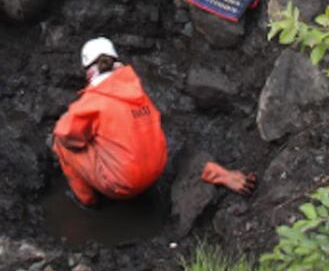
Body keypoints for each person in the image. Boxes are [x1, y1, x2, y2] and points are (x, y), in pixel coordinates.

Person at [51, 37, 256, 208]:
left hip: (123, 185)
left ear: (89, 70)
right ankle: (215, 172)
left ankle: (87, 202)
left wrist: (86, 141)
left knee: (60, 144)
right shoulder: (136, 88)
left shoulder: (91, 103)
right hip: (158, 167)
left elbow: (65, 134)